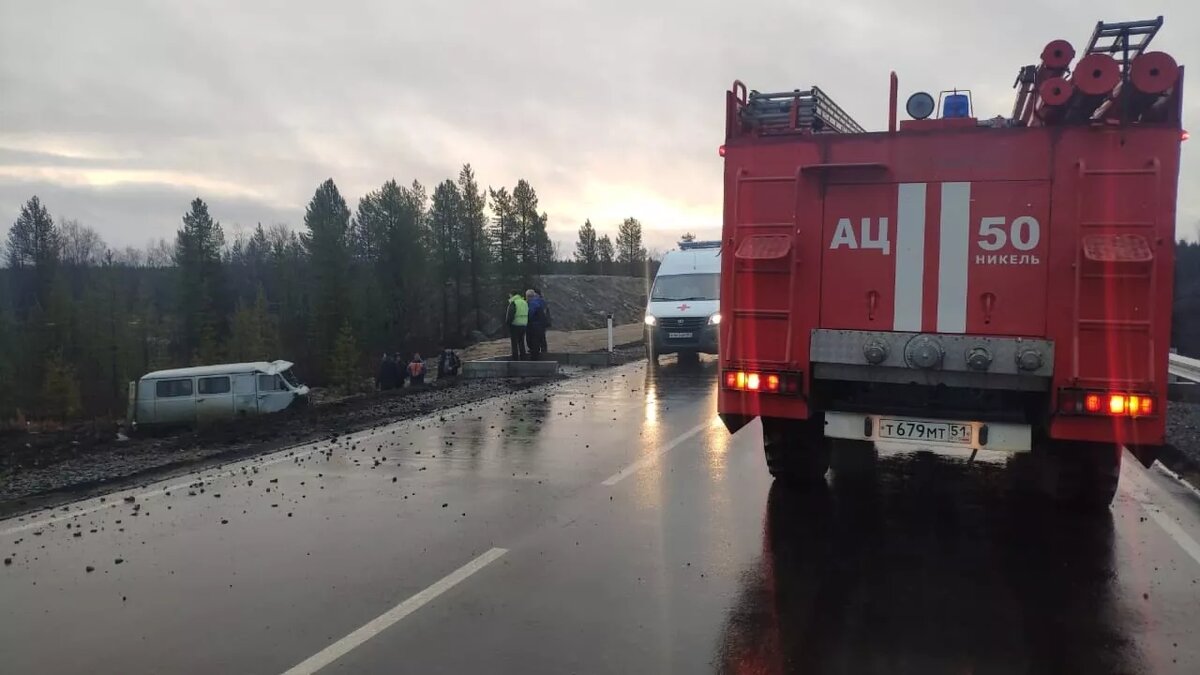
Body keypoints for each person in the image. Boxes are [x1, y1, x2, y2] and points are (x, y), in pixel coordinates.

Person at [505, 290, 528, 360]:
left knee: (514, 343)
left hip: (515, 324)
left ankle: (515, 358)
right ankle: (523, 357)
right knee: (521, 342)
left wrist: (507, 323)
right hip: (524, 324)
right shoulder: (524, 302)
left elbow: (510, 315)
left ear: (512, 295)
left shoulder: (513, 302)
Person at [526, 289, 546, 360]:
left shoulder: (532, 304)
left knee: (533, 342)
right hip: (540, 325)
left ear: (528, 296)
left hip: (534, 325)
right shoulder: (540, 301)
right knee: (538, 341)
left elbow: (530, 314)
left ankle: (534, 360)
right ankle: (539, 354)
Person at [533, 287, 551, 353]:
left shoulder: (537, 301)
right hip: (543, 322)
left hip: (537, 322)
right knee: (542, 337)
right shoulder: (543, 301)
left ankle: (538, 350)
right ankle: (544, 350)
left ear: (536, 294)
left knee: (537, 337)